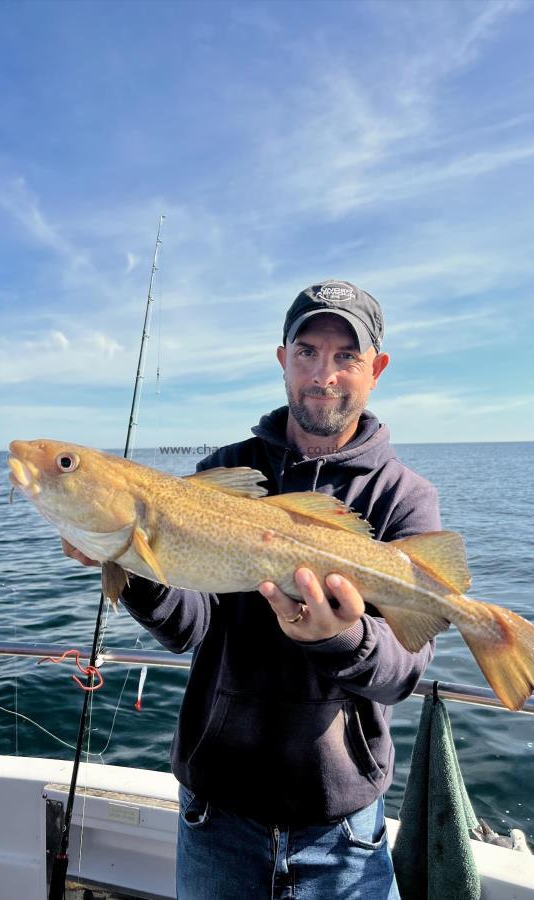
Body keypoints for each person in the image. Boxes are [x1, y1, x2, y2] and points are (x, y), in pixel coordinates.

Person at [63, 279, 441, 900]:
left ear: (377, 369)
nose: (323, 374)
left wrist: (342, 637)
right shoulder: (224, 474)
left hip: (342, 834)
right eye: (307, 352)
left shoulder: (403, 498)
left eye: (346, 356)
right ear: (282, 360)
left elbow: (402, 673)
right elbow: (191, 627)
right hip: (217, 819)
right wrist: (130, 565)